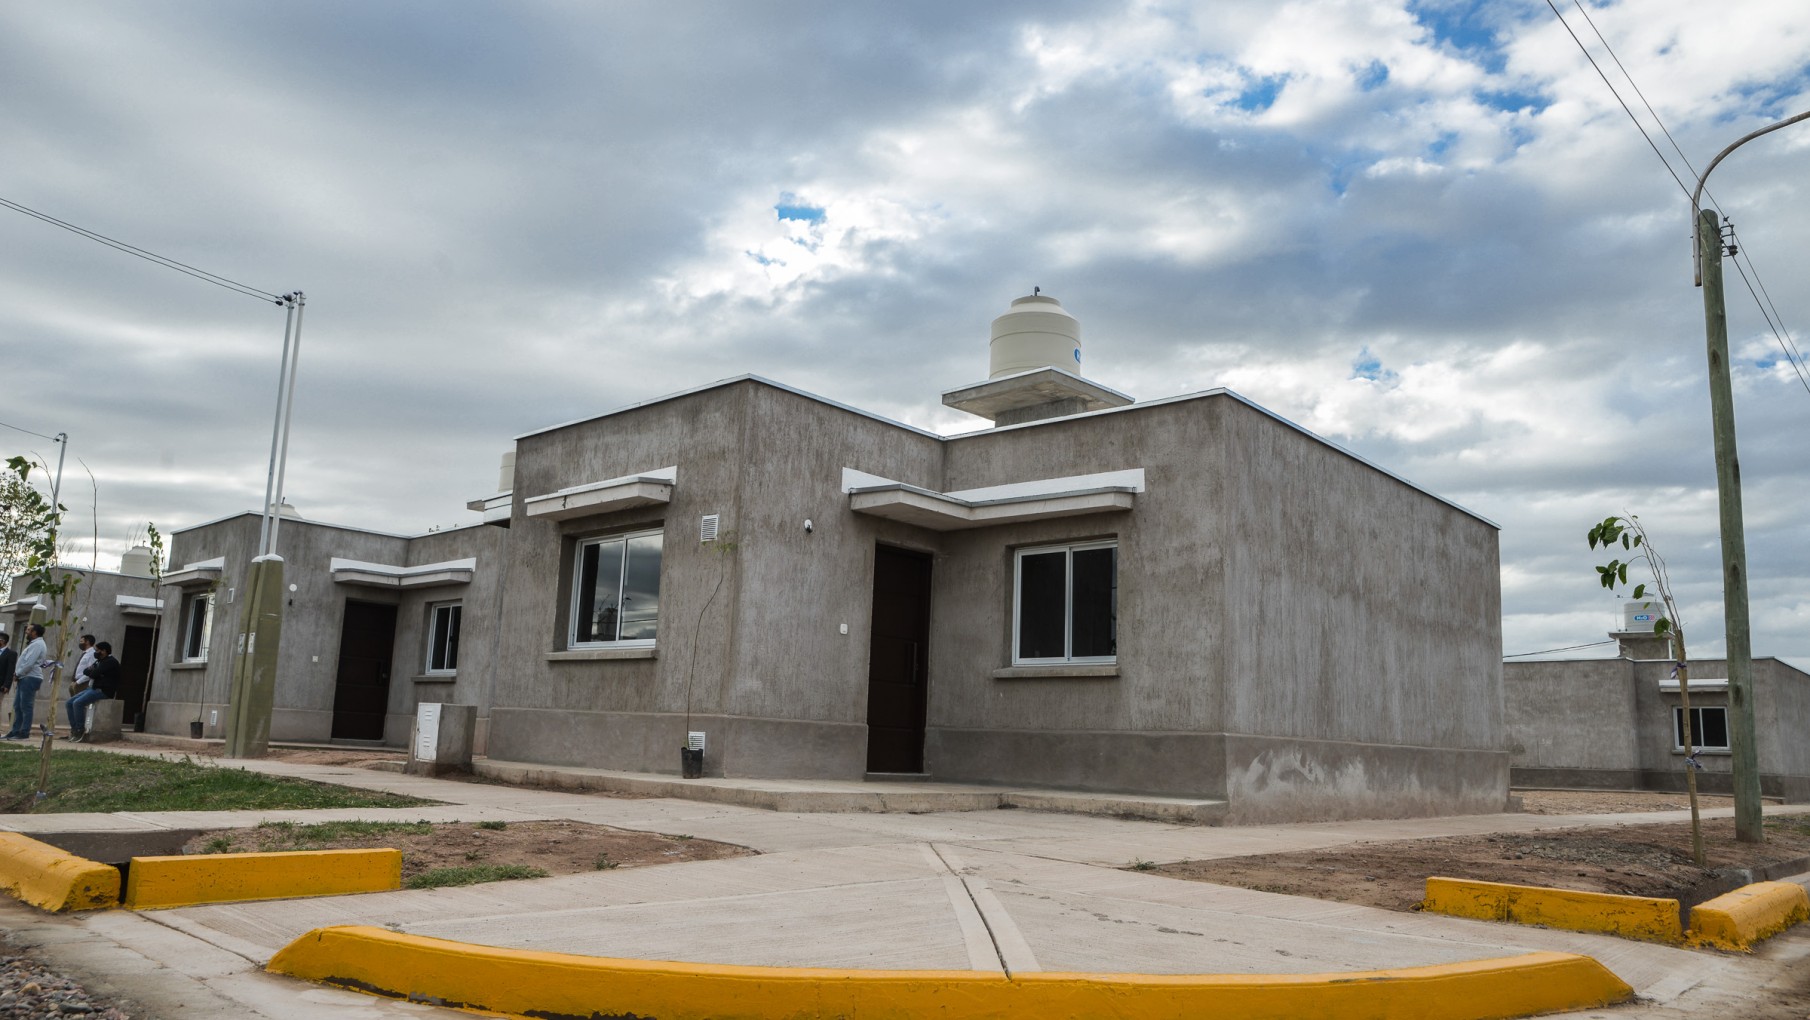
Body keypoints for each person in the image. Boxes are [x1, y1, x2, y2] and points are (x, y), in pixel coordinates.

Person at [66, 640, 119, 742]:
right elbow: (86, 671)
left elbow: (93, 674)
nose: (95, 652)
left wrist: (95, 672)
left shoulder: (111, 662)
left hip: (103, 691)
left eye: (97, 650)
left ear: (104, 651)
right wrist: (95, 672)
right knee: (69, 703)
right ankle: (74, 729)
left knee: (78, 703)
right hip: (93, 688)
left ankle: (80, 729)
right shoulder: (100, 661)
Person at [4, 623, 50, 739]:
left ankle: (24, 733)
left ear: (34, 633)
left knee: (26, 706)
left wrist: (18, 673)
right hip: (25, 677)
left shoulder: (38, 645)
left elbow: (29, 663)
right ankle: (15, 731)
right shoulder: (34, 644)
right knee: (18, 706)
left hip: (30, 678)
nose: (26, 632)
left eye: (29, 630)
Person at [0, 632, 15, 733]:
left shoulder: (11, 654)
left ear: (2, 640)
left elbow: (10, 671)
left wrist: (7, 685)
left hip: (1, 684)